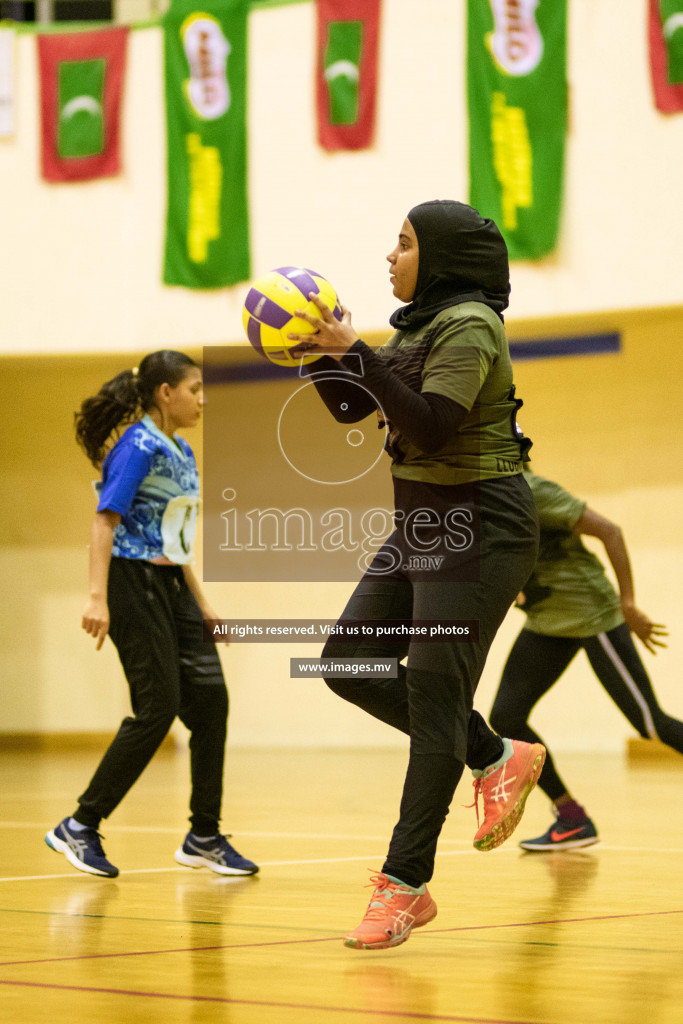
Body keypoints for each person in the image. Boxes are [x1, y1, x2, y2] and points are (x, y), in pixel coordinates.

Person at [288, 200, 545, 951]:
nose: (390, 257)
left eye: (402, 244)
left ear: (440, 256)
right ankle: (493, 751)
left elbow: (430, 421)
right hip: (426, 525)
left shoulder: (469, 323)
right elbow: (353, 409)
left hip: (481, 525)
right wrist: (314, 350)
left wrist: (355, 349)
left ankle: (402, 888)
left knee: (434, 698)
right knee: (345, 663)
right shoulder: (419, 325)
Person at [44, 350, 258, 879]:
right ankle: (80, 825)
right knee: (157, 706)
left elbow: (176, 543)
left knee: (211, 704)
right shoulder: (137, 446)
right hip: (131, 580)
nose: (203, 399)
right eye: (195, 389)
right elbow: (104, 523)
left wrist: (204, 606)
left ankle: (204, 836)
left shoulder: (181, 449)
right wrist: (97, 597)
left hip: (171, 584)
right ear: (166, 393)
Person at [489, 468, 676, 851]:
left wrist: (628, 604)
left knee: (648, 724)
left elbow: (611, 531)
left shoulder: (533, 491)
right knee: (506, 717)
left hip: (591, 615)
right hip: (548, 621)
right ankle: (572, 818)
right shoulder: (477, 500)